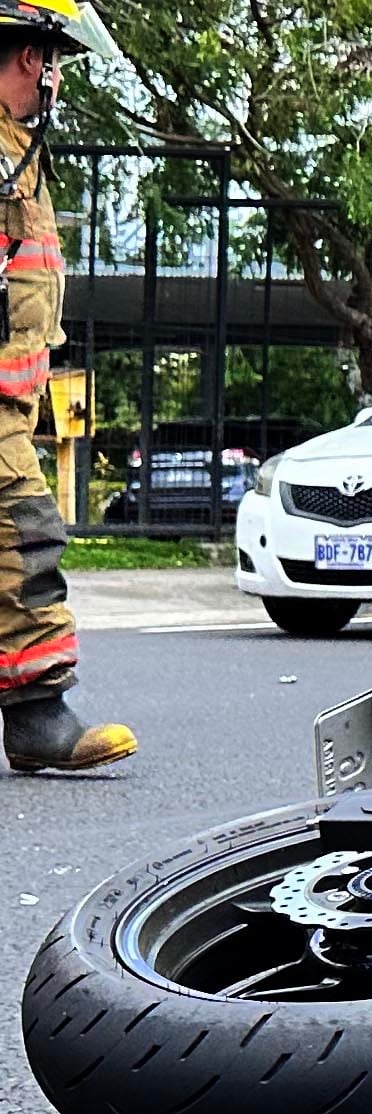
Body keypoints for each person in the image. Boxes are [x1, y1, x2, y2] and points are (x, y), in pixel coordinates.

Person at [0, 0, 131, 773]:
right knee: (26, 532)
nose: (58, 82)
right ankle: (39, 714)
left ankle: (36, 715)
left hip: (10, 398)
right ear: (32, 62)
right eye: (57, 64)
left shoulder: (19, 150)